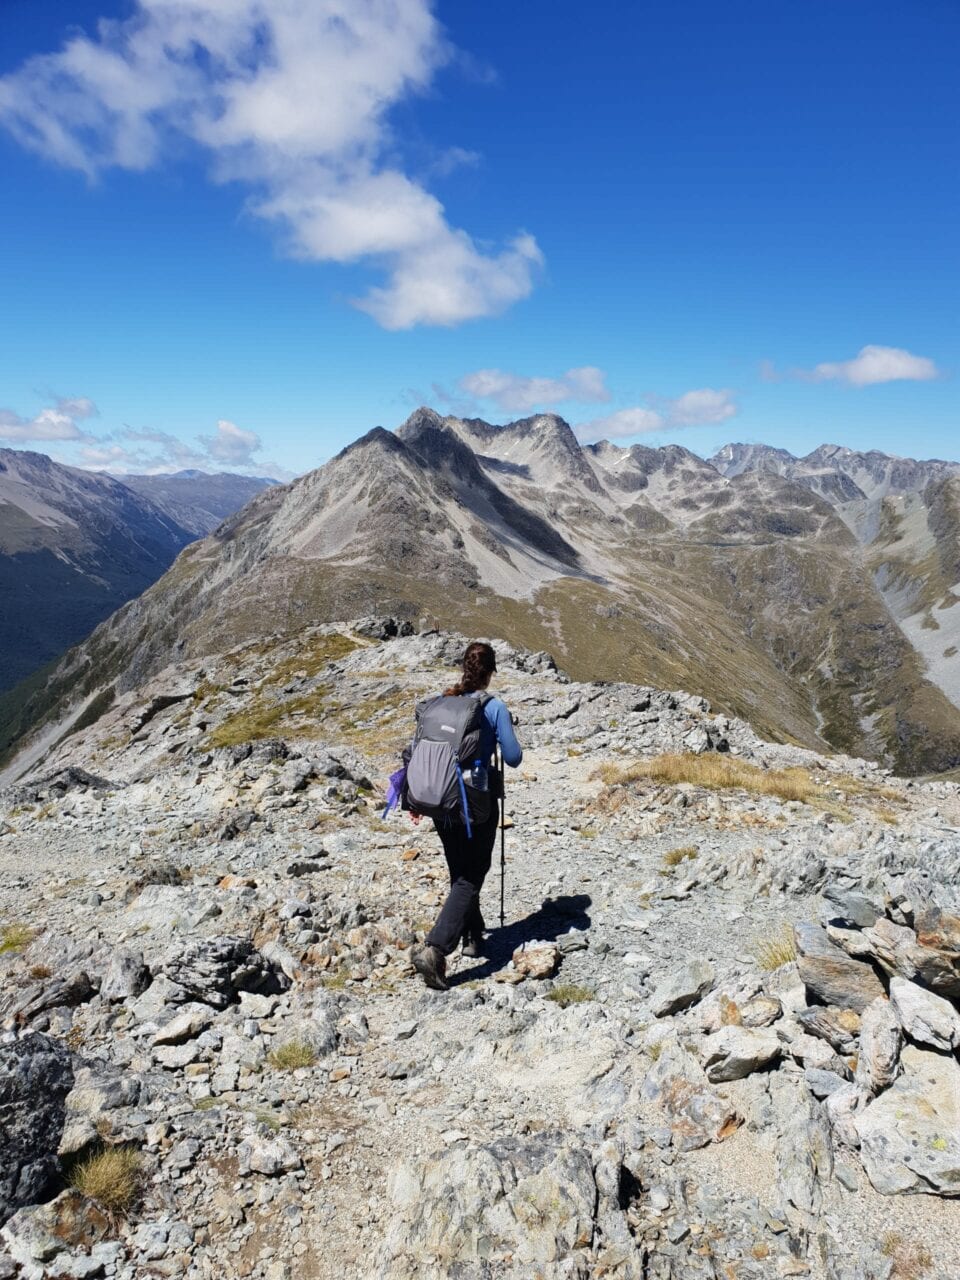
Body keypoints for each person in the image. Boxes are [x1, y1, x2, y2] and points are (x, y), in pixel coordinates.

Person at [411, 641, 523, 991]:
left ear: (464, 668)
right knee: (472, 875)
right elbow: (515, 756)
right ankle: (436, 948)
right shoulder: (493, 706)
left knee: (459, 870)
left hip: (439, 801)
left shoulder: (443, 701)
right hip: (475, 803)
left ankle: (474, 936)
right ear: (490, 672)